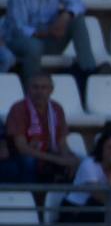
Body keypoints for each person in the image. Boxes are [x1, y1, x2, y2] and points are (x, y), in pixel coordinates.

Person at [3, 0, 100, 83]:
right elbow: (19, 28)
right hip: (19, 41)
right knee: (34, 47)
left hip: (49, 37)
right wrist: (48, 32)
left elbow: (78, 3)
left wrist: (66, 15)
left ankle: (88, 71)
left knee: (77, 19)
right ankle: (32, 88)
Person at [1, 71, 78, 202]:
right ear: (28, 89)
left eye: (44, 87)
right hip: (19, 158)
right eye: (35, 87)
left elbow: (62, 143)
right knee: (29, 161)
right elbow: (22, 148)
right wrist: (56, 159)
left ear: (51, 90)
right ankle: (29, 202)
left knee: (80, 161)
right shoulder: (19, 108)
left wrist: (68, 158)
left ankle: (67, 206)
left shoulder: (56, 108)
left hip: (47, 156)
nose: (39, 91)